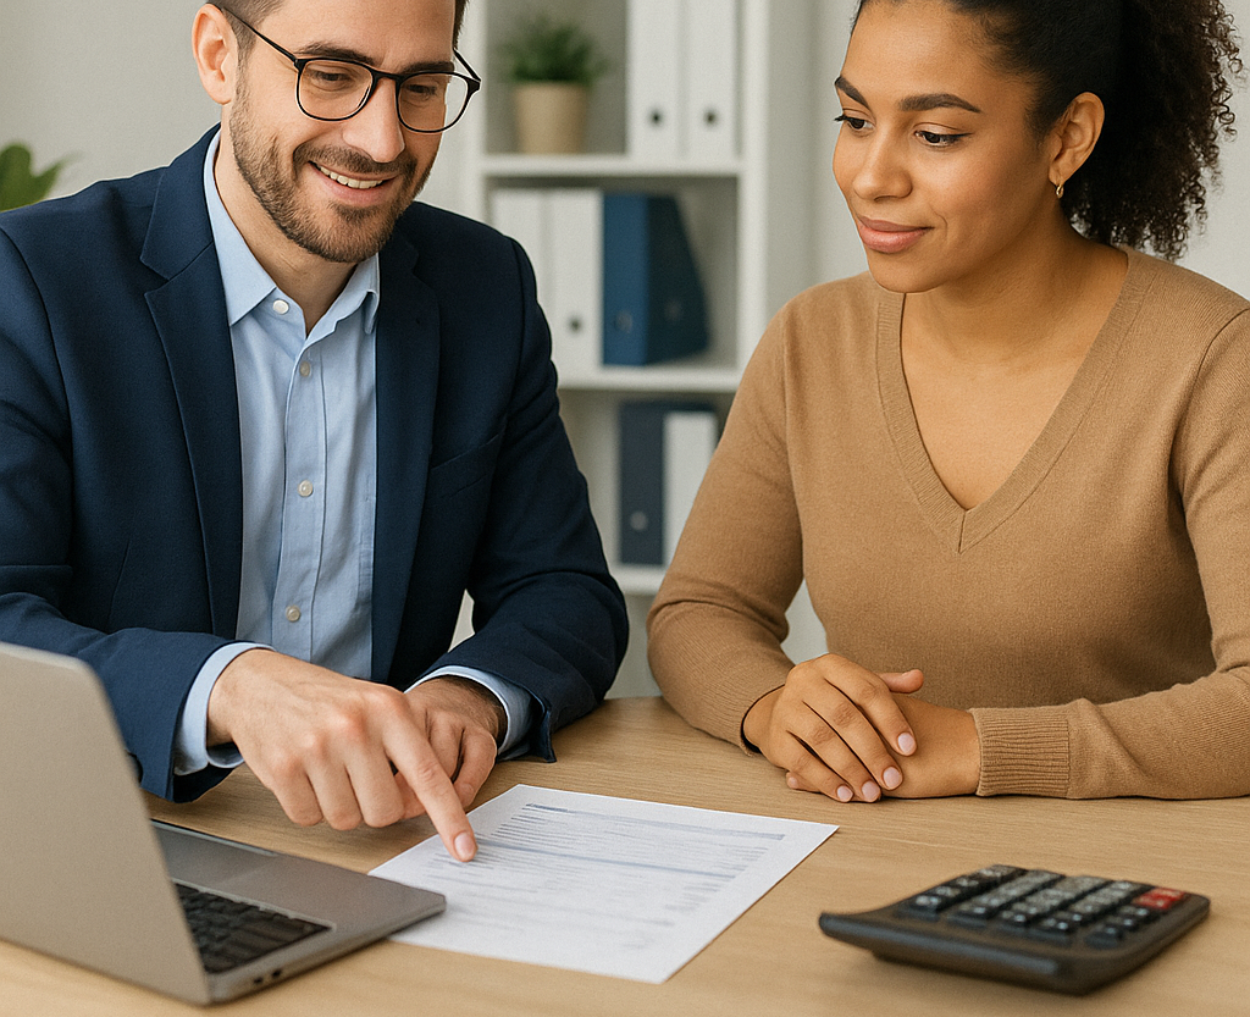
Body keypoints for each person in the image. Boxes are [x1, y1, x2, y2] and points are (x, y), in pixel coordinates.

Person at [0, 0, 627, 862]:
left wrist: (463, 697)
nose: (382, 141)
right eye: (330, 76)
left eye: (422, 84)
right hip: (111, 843)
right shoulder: (32, 282)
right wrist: (226, 686)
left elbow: (566, 590)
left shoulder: (487, 288)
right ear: (221, 57)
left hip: (386, 842)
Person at [648, 0, 1250, 803]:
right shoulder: (811, 340)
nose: (870, 176)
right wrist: (774, 706)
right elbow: (699, 610)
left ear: (1067, 137)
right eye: (855, 118)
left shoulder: (1212, 359)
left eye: (935, 135)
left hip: (1127, 887)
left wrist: (982, 746)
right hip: (867, 857)